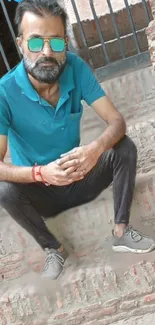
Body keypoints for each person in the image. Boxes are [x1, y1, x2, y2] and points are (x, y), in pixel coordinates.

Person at [0, 0, 154, 280]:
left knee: (123, 147)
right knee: (5, 191)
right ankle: (53, 248)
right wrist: (40, 173)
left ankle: (121, 232)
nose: (47, 52)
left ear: (65, 45)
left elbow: (116, 121)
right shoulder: (4, 92)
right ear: (21, 44)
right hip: (41, 193)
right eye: (36, 43)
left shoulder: (76, 67)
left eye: (56, 43)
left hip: (82, 179)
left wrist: (94, 150)